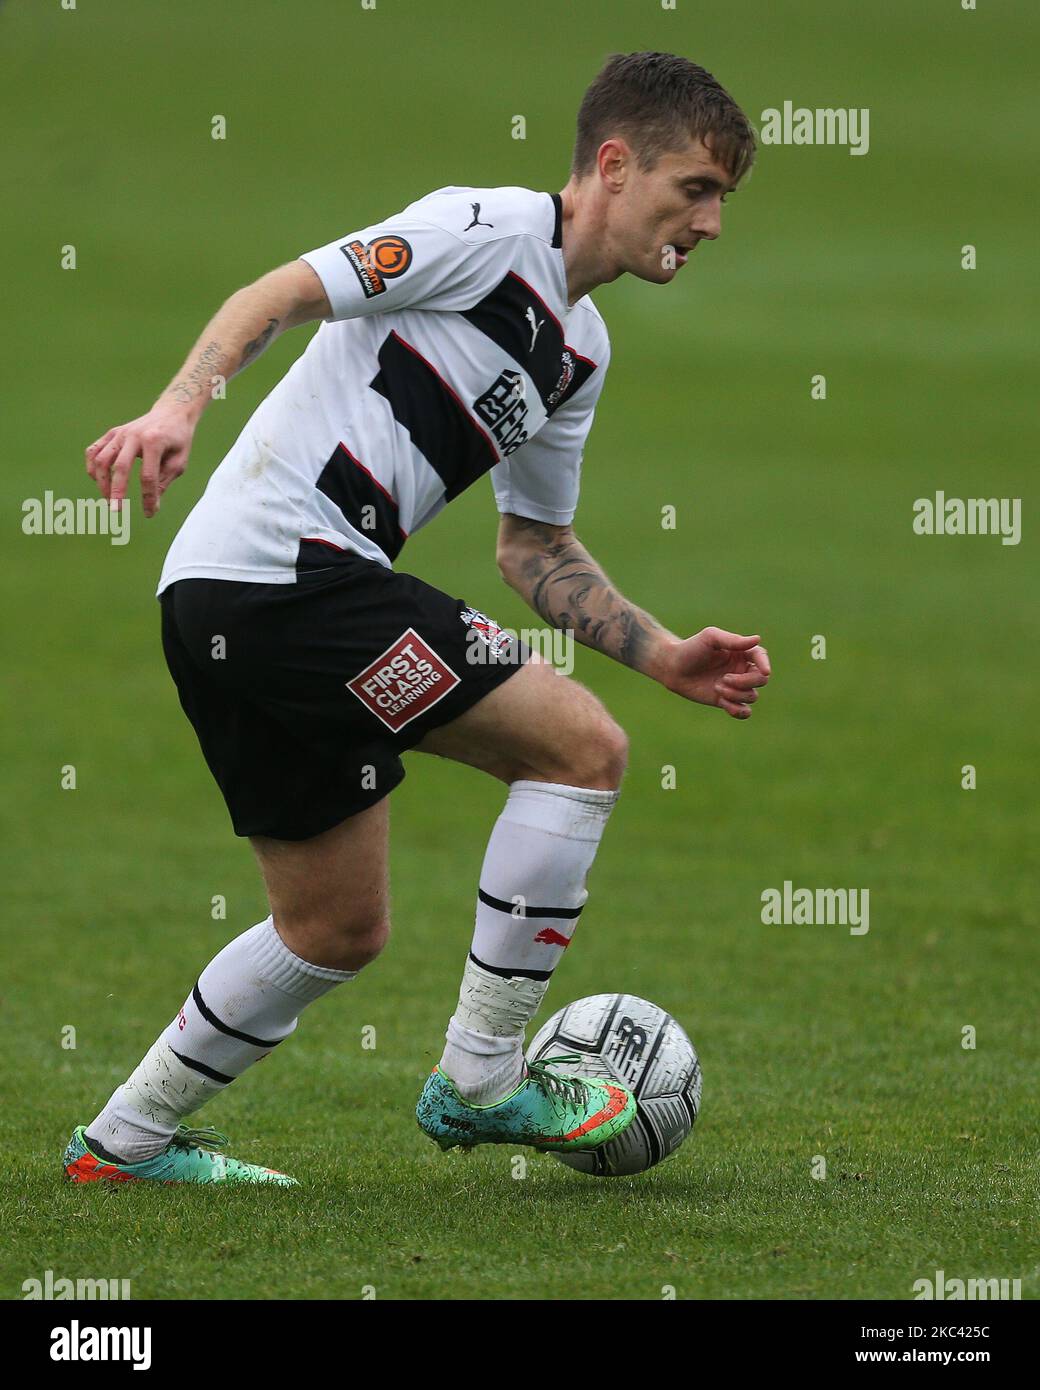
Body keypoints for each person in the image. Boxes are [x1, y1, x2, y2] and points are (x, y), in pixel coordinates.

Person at [66, 52, 769, 1185]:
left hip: (230, 604)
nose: (712, 221)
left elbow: (531, 548)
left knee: (333, 929)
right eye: (694, 188)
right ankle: (483, 1075)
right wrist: (176, 403)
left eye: (723, 198)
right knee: (579, 751)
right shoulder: (481, 228)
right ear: (611, 163)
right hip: (284, 575)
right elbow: (278, 293)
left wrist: (660, 651)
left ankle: (122, 1146)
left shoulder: (578, 352)